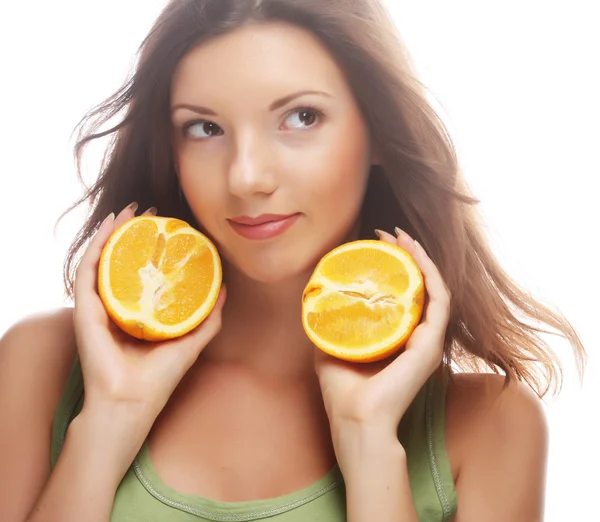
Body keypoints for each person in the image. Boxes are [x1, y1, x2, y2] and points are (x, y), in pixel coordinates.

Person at [0, 0, 586, 521]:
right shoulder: (44, 365)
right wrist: (109, 420)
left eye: (301, 117)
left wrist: (368, 443)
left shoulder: (490, 428)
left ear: (378, 129)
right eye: (204, 128)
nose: (247, 177)